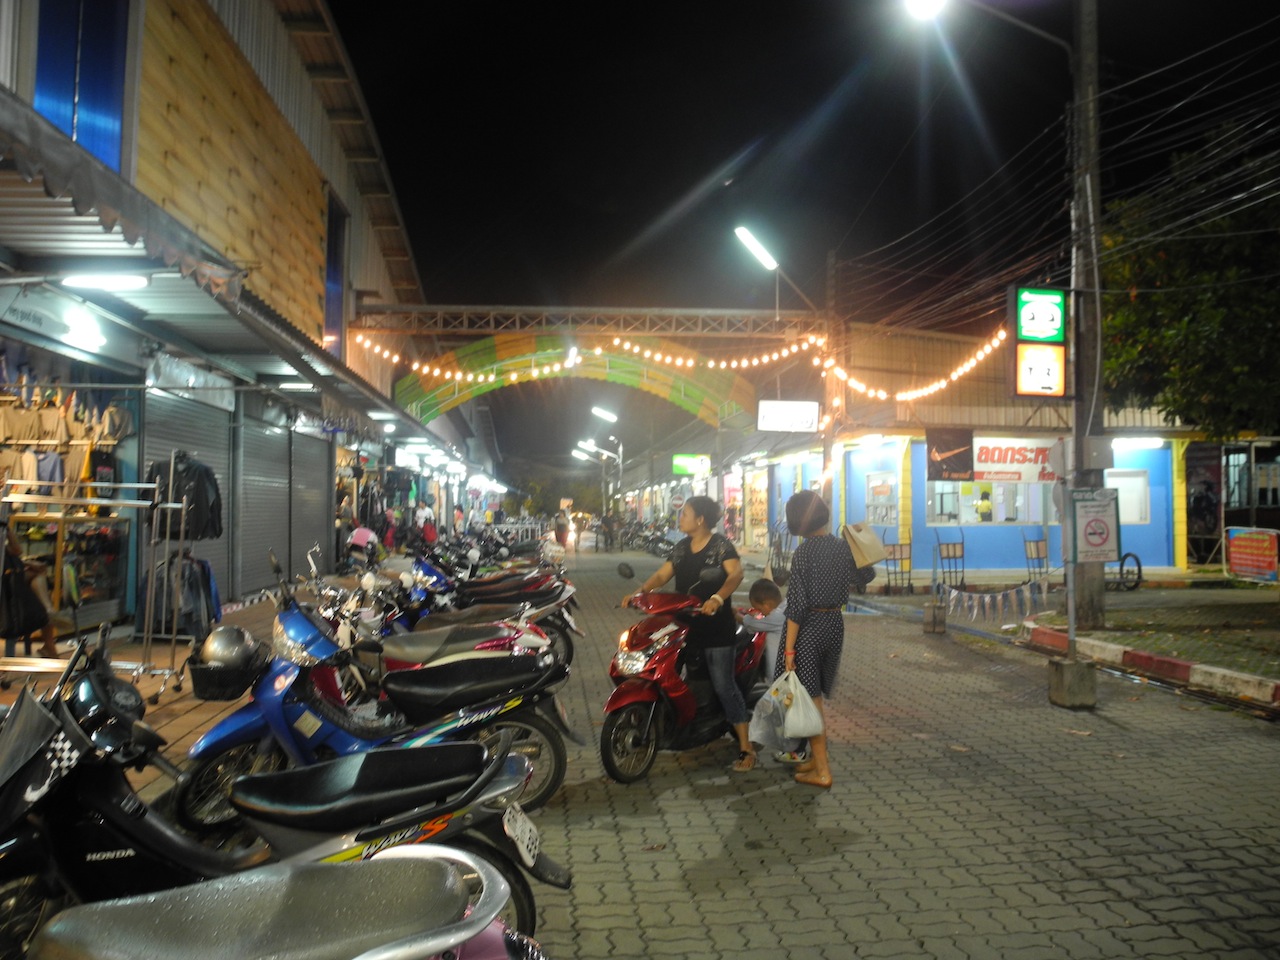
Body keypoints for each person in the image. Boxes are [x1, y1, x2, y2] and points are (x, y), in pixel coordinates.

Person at [622, 496, 752, 772]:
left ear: (700, 519)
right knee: (663, 673)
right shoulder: (681, 547)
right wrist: (639, 592)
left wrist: (717, 598)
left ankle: (746, 748)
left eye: (685, 514)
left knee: (724, 686)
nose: (680, 518)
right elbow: (662, 575)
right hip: (683, 627)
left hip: (716, 629)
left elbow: (735, 575)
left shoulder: (720, 546)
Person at [780, 489, 851, 789]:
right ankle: (815, 759)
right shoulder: (842, 547)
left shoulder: (804, 553)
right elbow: (866, 577)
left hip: (809, 630)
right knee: (815, 694)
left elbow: (796, 606)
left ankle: (822, 771)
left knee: (810, 702)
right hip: (834, 623)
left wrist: (788, 650)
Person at [737, 578, 806, 764]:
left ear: (767, 603)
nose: (761, 613)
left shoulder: (778, 617)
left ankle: (796, 751)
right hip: (787, 673)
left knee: (788, 711)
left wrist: (736, 614)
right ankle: (793, 748)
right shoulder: (786, 607)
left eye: (760, 609)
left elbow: (753, 625)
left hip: (784, 674)